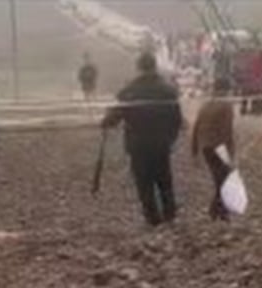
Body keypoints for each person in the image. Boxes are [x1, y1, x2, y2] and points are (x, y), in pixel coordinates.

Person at [101, 52, 183, 226]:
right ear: (154, 66)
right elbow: (177, 119)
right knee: (164, 179)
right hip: (161, 143)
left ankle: (152, 218)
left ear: (138, 67)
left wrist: (106, 121)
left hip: (138, 144)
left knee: (144, 182)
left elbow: (114, 117)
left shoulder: (129, 91)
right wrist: (171, 139)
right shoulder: (168, 90)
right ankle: (170, 215)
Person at [191, 78, 236, 221]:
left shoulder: (206, 105)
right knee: (224, 178)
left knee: (220, 178)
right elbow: (226, 130)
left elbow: (196, 127)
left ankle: (219, 210)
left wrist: (194, 149)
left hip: (205, 146)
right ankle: (216, 209)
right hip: (219, 145)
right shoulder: (226, 106)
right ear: (227, 90)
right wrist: (230, 151)